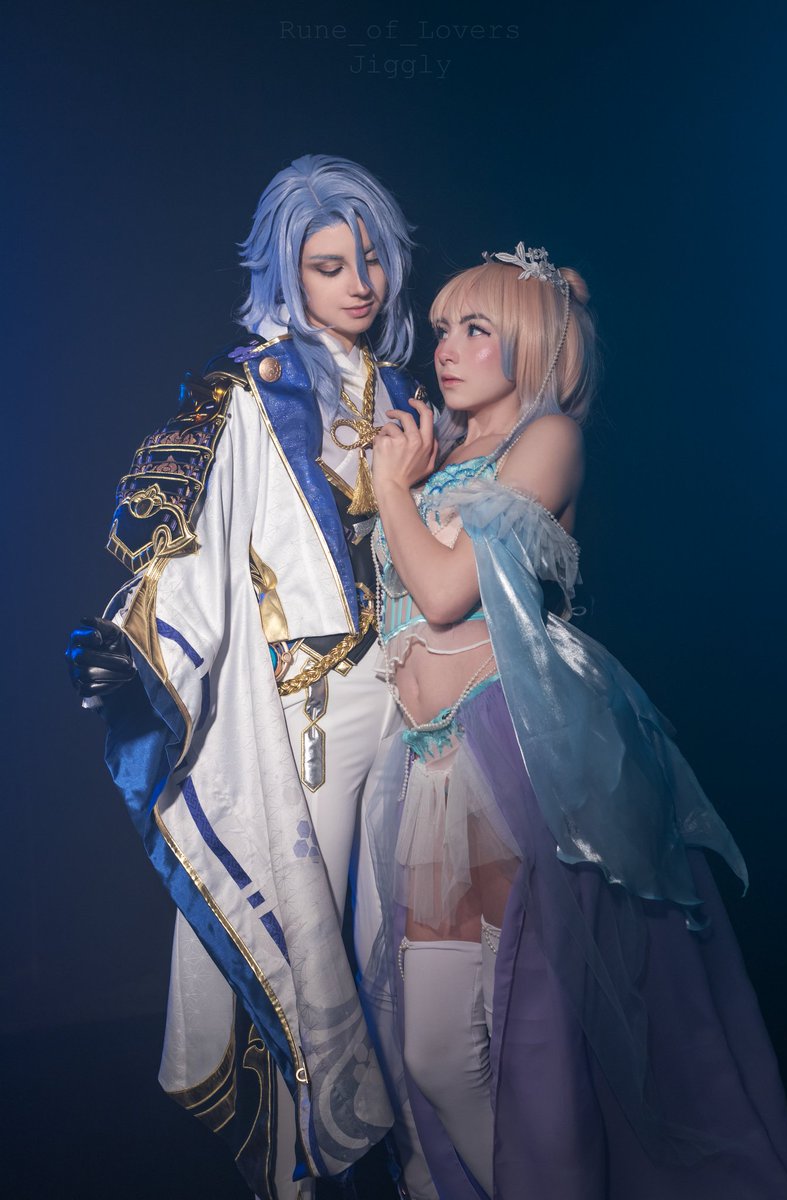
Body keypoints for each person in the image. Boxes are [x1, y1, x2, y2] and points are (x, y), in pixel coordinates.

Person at [366, 244, 787, 1199]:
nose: (448, 348)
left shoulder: (550, 438)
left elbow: (443, 593)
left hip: (514, 752)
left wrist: (390, 488)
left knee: (538, 1045)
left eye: (476, 330)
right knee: (435, 1052)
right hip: (428, 763)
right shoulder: (440, 452)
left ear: (531, 342)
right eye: (443, 329)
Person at [66, 155, 437, 1200]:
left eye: (370, 260)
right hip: (307, 715)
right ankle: (302, 1177)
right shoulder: (249, 389)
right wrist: (137, 643)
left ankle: (420, 1172)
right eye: (329, 265)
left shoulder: (411, 395)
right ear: (289, 272)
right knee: (303, 949)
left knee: (403, 956)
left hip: (412, 705)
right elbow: (193, 542)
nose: (358, 283)